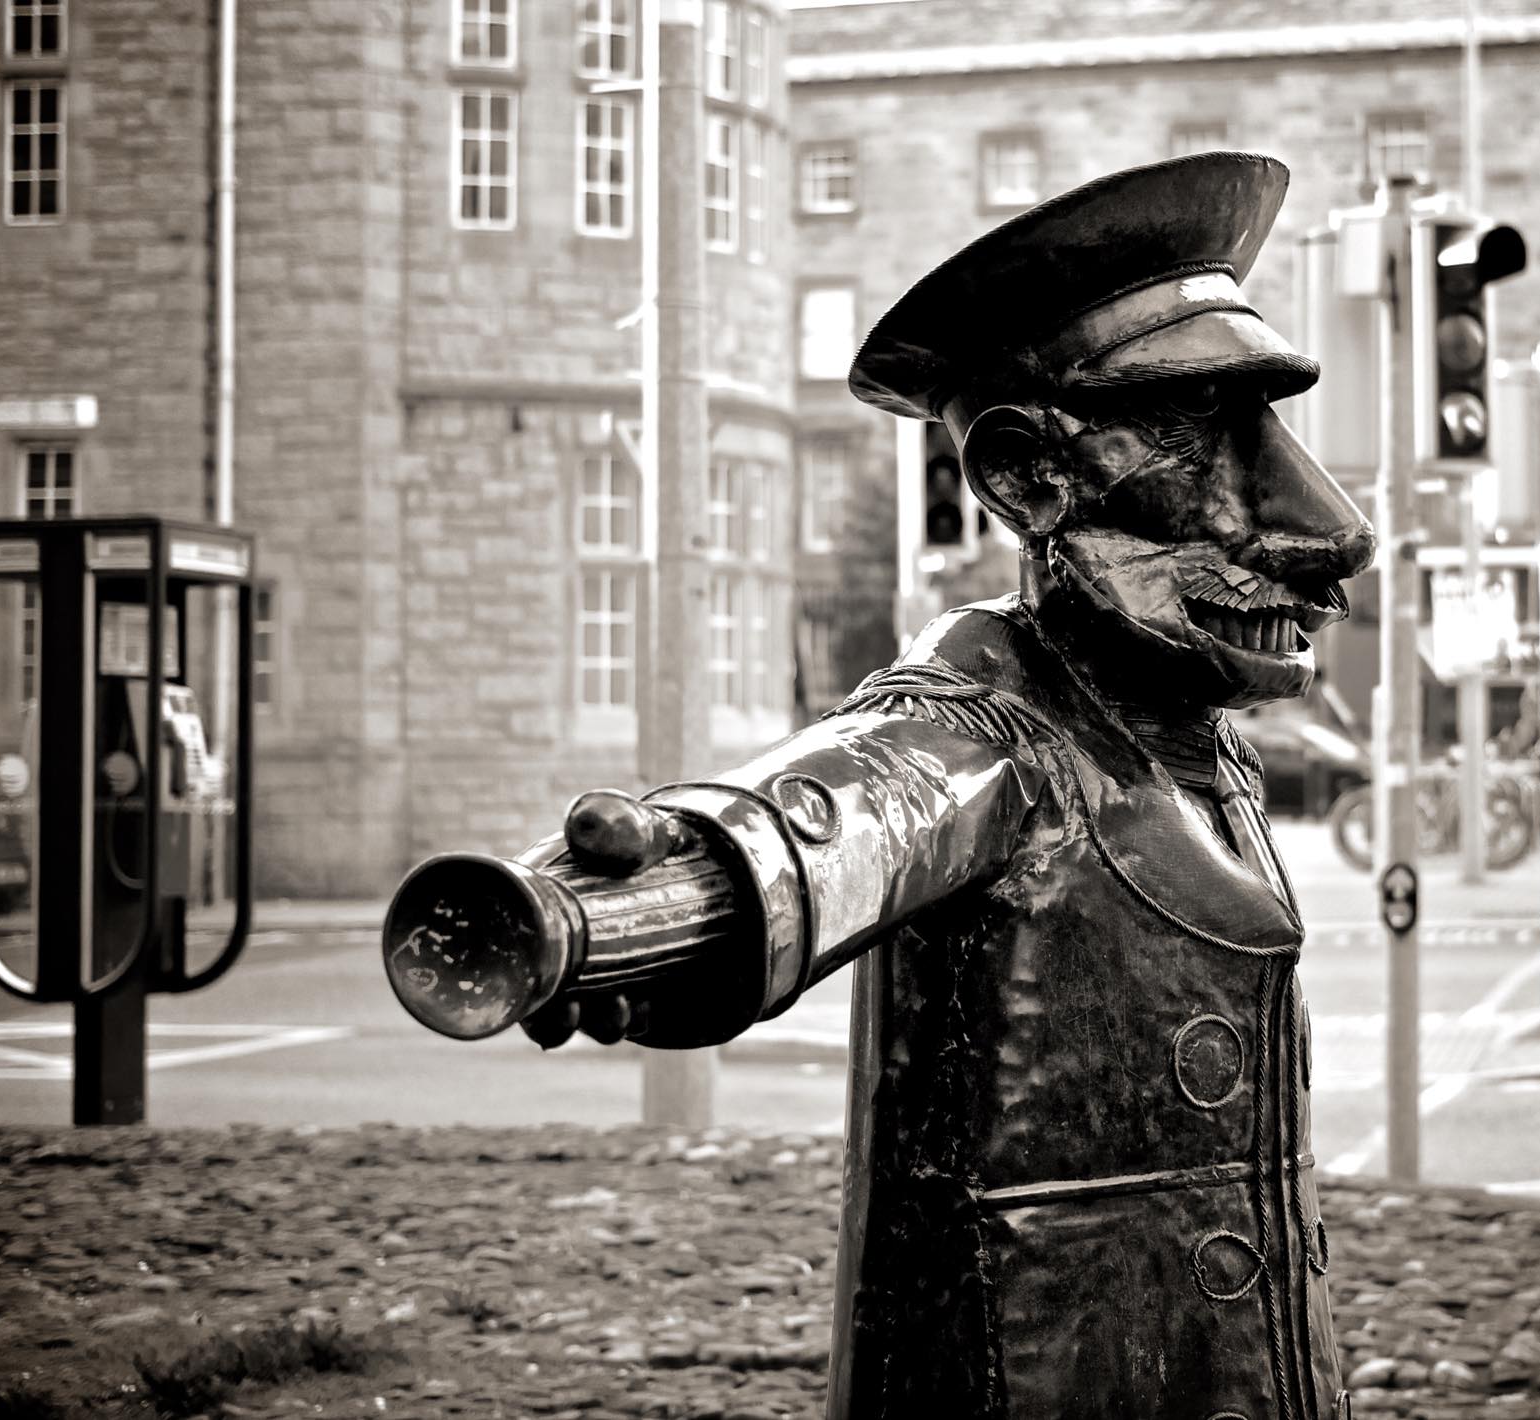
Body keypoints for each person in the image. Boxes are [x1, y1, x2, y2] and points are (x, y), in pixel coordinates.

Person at [386, 152, 1374, 1419]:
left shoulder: (1188, 727)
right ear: (1027, 476)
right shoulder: (989, 728)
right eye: (1209, 440)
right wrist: (615, 913)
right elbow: (850, 814)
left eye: (1271, 433)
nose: (1323, 522)